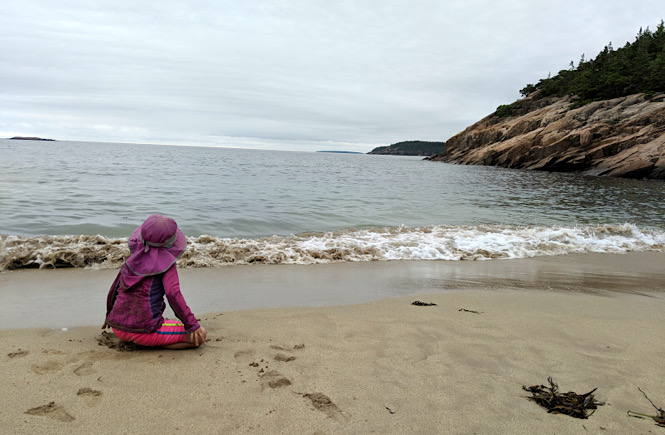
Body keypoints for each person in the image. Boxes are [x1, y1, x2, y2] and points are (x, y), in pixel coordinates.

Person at [103, 214, 207, 349]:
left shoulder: (130, 262)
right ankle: (151, 344)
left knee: (170, 325)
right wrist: (192, 324)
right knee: (200, 335)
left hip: (118, 328)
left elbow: (114, 289)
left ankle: (142, 340)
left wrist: (108, 315)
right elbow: (173, 294)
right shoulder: (167, 266)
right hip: (145, 330)